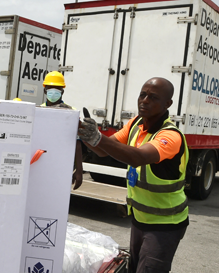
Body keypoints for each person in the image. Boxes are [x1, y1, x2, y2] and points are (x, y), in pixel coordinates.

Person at [78, 77, 188, 273]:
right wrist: (88, 136)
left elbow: (138, 157)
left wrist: (98, 138)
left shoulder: (170, 135)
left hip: (165, 224)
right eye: (142, 95)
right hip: (140, 219)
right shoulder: (136, 124)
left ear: (167, 104)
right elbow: (104, 150)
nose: (144, 100)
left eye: (153, 97)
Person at [40, 71, 83, 190]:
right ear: (45, 90)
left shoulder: (71, 112)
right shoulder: (39, 111)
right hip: (42, 162)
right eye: (50, 88)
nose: (53, 92)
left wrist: (79, 170)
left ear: (62, 92)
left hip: (62, 164)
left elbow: (77, 143)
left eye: (57, 89)